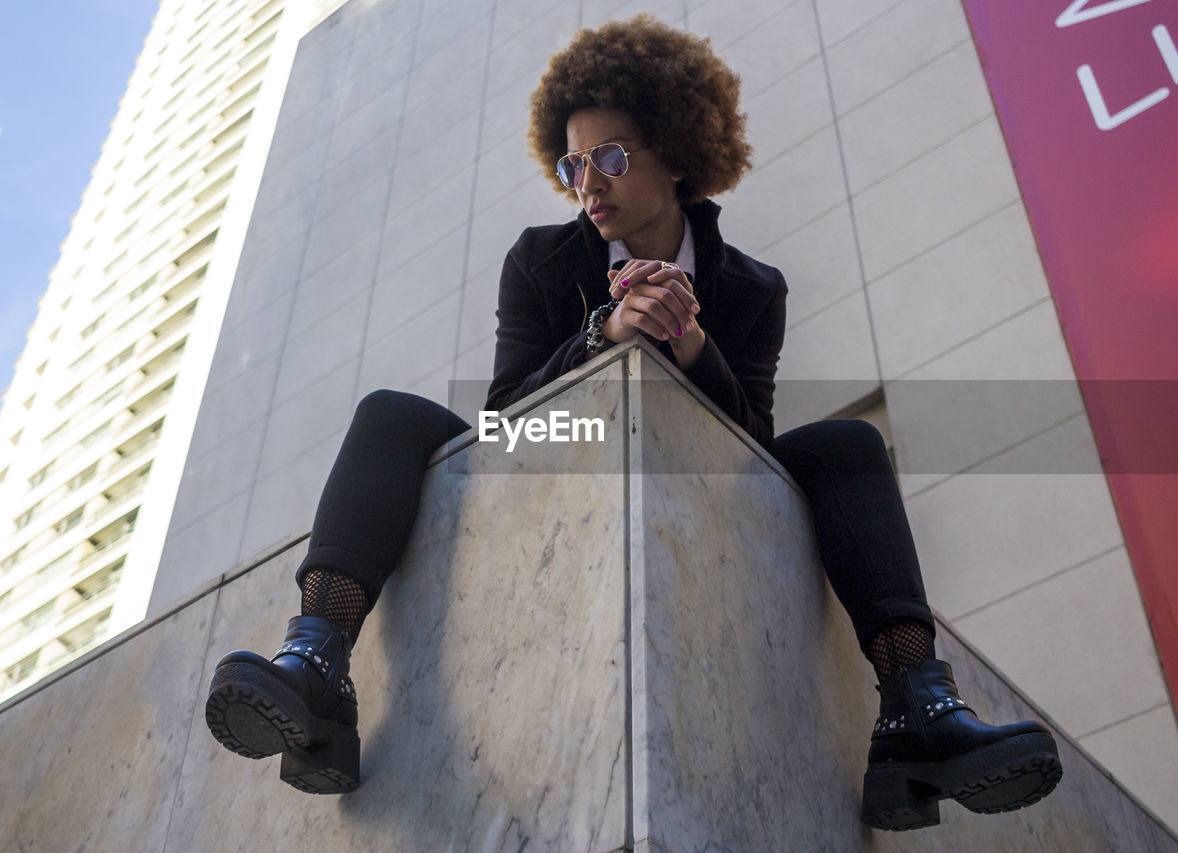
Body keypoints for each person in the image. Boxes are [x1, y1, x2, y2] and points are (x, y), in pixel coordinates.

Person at [204, 14, 1062, 831]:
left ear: (679, 153)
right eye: (573, 164)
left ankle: (918, 707)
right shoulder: (541, 260)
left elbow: (754, 447)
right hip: (561, 449)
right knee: (391, 415)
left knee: (844, 445)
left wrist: (687, 341)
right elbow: (504, 418)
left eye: (610, 155)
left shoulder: (752, 289)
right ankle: (316, 664)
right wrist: (604, 334)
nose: (589, 184)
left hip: (691, 472)